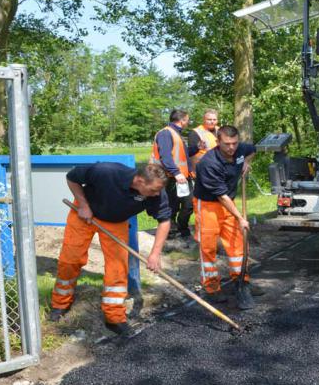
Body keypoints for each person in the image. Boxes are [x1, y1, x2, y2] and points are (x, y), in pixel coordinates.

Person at [48, 163, 172, 337]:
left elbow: (164, 221)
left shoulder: (157, 192)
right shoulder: (106, 172)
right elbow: (72, 177)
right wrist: (83, 205)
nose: (157, 194)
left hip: (116, 222)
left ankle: (114, 317)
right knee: (70, 260)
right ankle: (60, 304)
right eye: (153, 190)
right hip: (84, 214)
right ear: (139, 180)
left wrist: (154, 254)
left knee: (118, 269)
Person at [193, 125, 259, 304]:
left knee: (237, 243)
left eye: (234, 143)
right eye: (227, 144)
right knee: (208, 247)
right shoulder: (208, 163)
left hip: (228, 202)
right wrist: (240, 217)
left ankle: (241, 282)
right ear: (218, 141)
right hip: (208, 205)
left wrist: (247, 162)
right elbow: (220, 195)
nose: (231, 148)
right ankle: (211, 287)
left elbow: (252, 149)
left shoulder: (240, 150)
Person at [151, 109, 193, 240]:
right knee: (171, 207)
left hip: (183, 177)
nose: (188, 122)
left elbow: (181, 155)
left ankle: (182, 228)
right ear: (183, 120)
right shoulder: (165, 133)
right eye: (188, 120)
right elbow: (165, 156)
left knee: (188, 205)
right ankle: (170, 234)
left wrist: (197, 147)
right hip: (170, 177)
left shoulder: (176, 133)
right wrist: (176, 173)